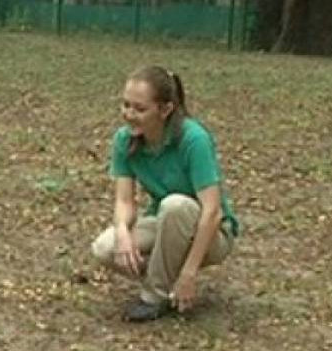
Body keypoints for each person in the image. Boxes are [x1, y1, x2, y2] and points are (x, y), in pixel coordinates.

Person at [90, 66, 239, 322]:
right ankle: (168, 281)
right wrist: (124, 234)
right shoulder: (125, 140)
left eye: (140, 109)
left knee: (175, 206)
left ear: (165, 109)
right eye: (125, 105)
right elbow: (124, 200)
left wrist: (189, 273)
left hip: (210, 231)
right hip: (165, 222)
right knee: (106, 248)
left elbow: (212, 213)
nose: (129, 115)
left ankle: (154, 297)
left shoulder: (194, 139)